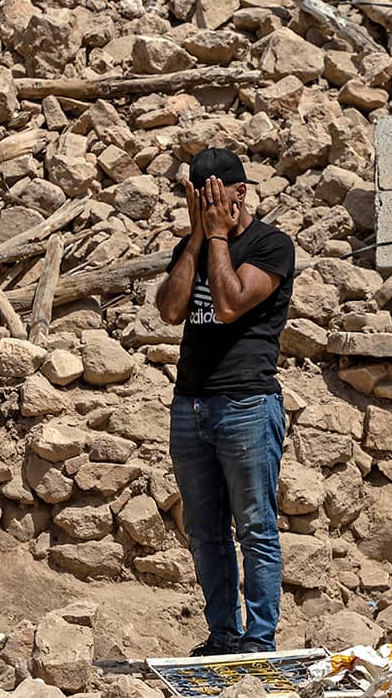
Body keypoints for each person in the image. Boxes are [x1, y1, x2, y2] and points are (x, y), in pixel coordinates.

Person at [154, 147, 296, 657]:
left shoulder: (270, 246)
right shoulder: (189, 245)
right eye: (200, 196)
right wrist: (197, 238)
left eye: (218, 194)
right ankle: (223, 636)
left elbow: (231, 302)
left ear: (241, 192)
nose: (210, 203)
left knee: (255, 528)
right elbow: (171, 311)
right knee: (204, 532)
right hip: (190, 406)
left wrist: (216, 237)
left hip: (246, 406)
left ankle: (259, 641)